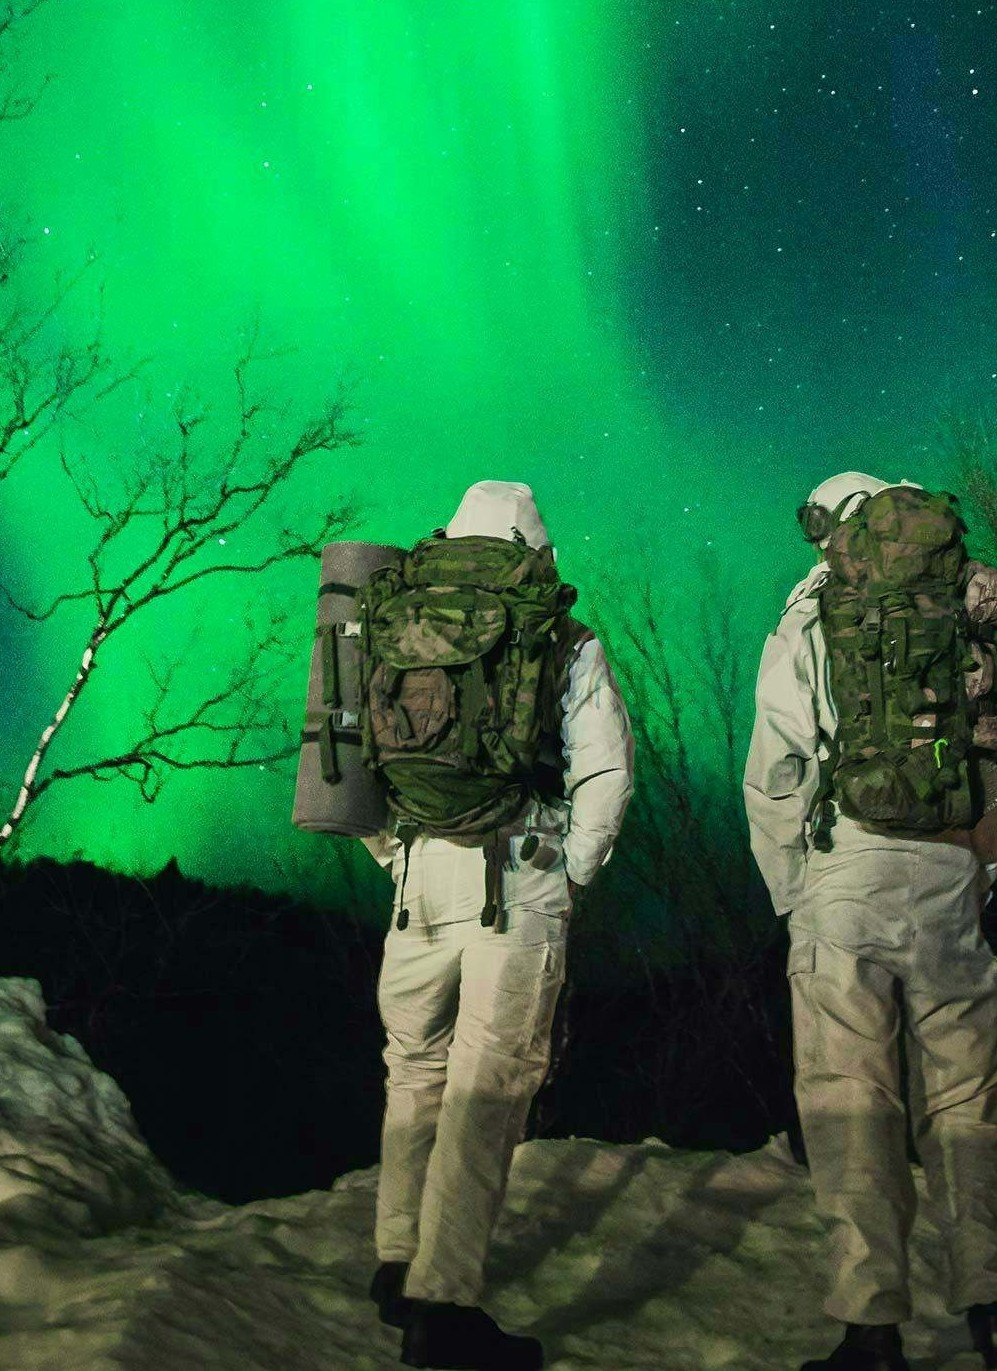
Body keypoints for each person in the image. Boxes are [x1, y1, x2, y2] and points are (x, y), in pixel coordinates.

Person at [743, 472, 997, 1371]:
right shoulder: (957, 614)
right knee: (969, 1100)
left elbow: (776, 770)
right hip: (948, 869)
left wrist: (793, 893)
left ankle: (870, 1328)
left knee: (849, 1098)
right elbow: (995, 773)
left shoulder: (809, 618)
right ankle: (996, 1315)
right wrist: (975, 874)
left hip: (844, 874)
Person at [360, 480, 635, 1371]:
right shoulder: (559, 634)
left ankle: (397, 1259)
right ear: (535, 550)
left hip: (416, 879)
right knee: (487, 1086)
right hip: (516, 875)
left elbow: (350, 752)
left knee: (414, 1067)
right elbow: (606, 773)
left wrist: (395, 856)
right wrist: (572, 868)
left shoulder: (394, 619)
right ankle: (443, 1305)